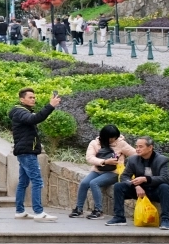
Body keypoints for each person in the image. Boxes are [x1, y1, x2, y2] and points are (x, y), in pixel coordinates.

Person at [9, 87, 61, 221]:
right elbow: (35, 119)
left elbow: (34, 118)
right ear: (22, 99)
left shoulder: (21, 111)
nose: (33, 99)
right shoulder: (20, 112)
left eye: (34, 97)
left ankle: (20, 211)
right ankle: (39, 212)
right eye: (30, 97)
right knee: (37, 181)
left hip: (25, 151)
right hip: (27, 152)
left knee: (23, 182)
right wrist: (50, 106)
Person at [105, 136, 169, 230]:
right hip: (140, 191)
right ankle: (119, 217)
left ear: (150, 147)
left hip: (156, 190)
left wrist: (146, 179)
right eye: (136, 146)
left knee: (164, 186)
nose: (137, 149)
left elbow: (164, 178)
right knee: (119, 186)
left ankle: (165, 220)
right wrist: (136, 185)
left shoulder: (162, 160)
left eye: (140, 146)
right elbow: (124, 176)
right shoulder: (133, 159)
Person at [70, 124, 136, 219]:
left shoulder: (121, 143)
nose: (113, 140)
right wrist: (105, 161)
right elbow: (89, 158)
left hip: (114, 172)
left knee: (94, 183)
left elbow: (135, 154)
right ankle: (79, 209)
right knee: (84, 183)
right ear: (105, 137)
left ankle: (98, 211)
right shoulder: (94, 143)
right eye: (111, 138)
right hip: (98, 170)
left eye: (115, 137)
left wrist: (125, 163)